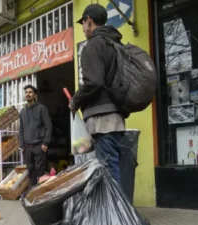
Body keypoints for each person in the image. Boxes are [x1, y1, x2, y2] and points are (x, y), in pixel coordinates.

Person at [69, 4, 126, 183]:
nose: (83, 28)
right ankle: (115, 209)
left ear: (89, 20)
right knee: (112, 166)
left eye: (83, 23)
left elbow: (94, 82)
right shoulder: (114, 43)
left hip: (103, 121)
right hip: (115, 117)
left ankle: (114, 211)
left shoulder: (93, 45)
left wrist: (75, 101)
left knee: (108, 171)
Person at [19, 85, 53, 188]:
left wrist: (46, 143)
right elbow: (21, 129)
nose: (27, 94)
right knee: (31, 171)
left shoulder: (42, 109)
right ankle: (32, 193)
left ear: (35, 95)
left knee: (40, 171)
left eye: (30, 92)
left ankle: (41, 194)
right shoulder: (22, 112)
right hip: (27, 147)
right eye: (26, 92)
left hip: (39, 145)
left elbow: (49, 126)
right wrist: (22, 145)